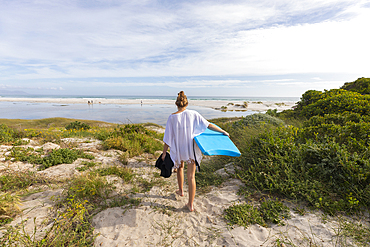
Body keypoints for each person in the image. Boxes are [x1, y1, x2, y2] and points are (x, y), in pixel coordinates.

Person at [162, 91, 229, 212]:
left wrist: (164, 152)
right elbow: (208, 125)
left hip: (178, 149)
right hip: (190, 149)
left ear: (176, 104)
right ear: (186, 103)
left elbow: (167, 137)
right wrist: (223, 131)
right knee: (191, 176)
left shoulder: (171, 117)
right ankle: (190, 204)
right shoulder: (193, 114)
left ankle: (181, 191)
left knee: (180, 168)